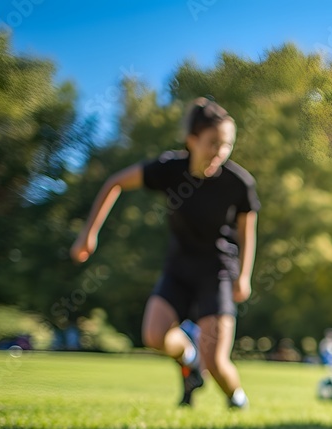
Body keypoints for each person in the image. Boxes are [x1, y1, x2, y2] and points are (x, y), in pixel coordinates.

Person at [71, 98, 259, 408]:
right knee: (154, 336)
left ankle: (236, 397)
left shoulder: (238, 183)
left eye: (227, 145)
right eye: (213, 143)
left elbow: (247, 232)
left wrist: (244, 276)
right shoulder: (170, 169)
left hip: (218, 271)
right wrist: (88, 232)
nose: (220, 152)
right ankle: (190, 357)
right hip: (179, 267)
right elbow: (115, 182)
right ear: (192, 141)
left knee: (217, 362)